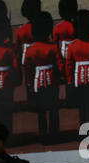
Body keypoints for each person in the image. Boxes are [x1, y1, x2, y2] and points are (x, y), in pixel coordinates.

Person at [24, 11, 64, 144]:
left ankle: (43, 136)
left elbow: (28, 70)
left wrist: (29, 84)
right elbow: (59, 65)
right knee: (53, 109)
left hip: (37, 81)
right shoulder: (53, 47)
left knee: (41, 111)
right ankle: (54, 134)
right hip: (52, 80)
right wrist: (61, 77)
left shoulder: (30, 50)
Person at [53, 0, 78, 108]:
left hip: (64, 54)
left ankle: (70, 99)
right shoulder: (77, 25)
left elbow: (55, 44)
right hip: (77, 52)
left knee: (68, 77)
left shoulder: (58, 27)